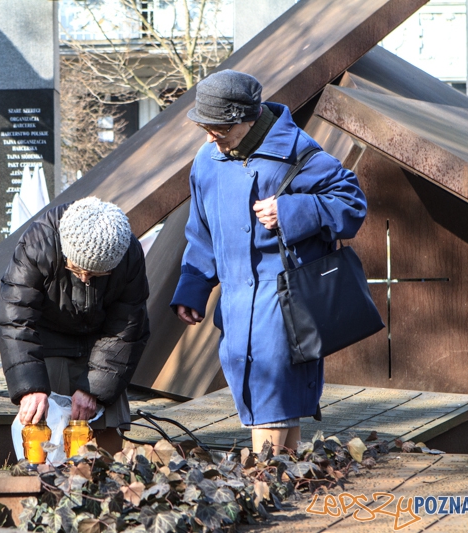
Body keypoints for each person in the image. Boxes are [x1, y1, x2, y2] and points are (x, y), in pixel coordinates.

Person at [171, 70, 367, 453]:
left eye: (219, 129)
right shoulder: (206, 161)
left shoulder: (298, 151)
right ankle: (285, 482)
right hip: (236, 311)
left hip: (284, 308)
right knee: (274, 413)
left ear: (248, 118)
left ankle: (266, 484)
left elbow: (352, 204)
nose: (210, 138)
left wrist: (290, 211)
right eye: (206, 129)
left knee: (271, 405)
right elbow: (201, 230)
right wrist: (193, 286)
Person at [0, 197, 150, 454]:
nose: (85, 278)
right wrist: (32, 388)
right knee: (42, 426)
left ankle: (105, 470)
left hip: (104, 342)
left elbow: (127, 327)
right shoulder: (38, 244)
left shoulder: (128, 254)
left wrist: (95, 390)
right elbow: (16, 319)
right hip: (50, 338)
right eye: (77, 270)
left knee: (107, 438)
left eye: (96, 275)